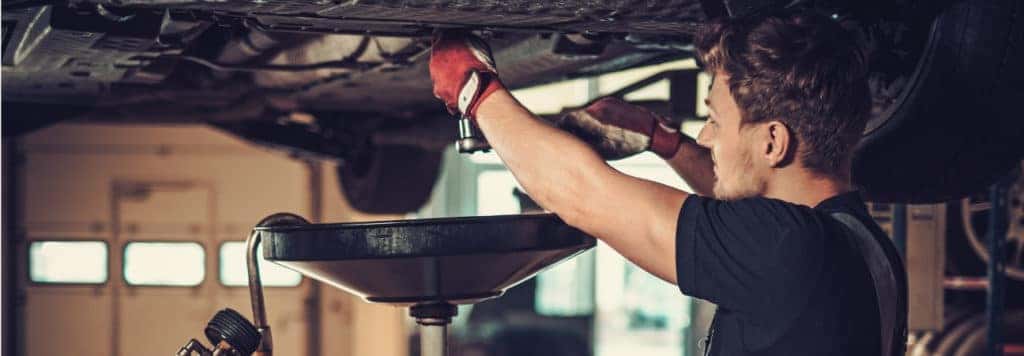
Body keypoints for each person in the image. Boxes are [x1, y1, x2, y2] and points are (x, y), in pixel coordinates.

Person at [428, 9, 906, 356]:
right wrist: (663, 142)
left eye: (715, 121)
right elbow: (740, 200)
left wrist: (475, 89)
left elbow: (582, 194)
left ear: (773, 142)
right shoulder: (864, 244)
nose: (706, 135)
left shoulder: (787, 249)